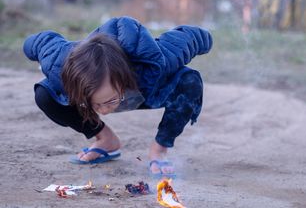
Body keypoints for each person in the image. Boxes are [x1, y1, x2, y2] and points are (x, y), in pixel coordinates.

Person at [23, 16, 212, 178]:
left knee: (190, 82)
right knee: (45, 94)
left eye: (108, 102)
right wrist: (28, 47)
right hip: (94, 87)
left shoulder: (157, 60)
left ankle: (159, 149)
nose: (103, 111)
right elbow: (40, 43)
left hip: (143, 88)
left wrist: (207, 40)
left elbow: (189, 37)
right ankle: (105, 139)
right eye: (94, 104)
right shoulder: (60, 66)